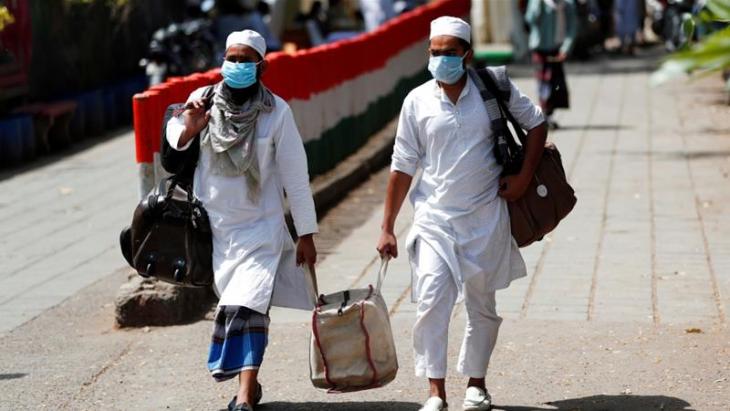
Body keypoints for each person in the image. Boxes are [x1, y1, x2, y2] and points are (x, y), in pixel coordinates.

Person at [376, 16, 547, 411]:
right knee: (432, 299)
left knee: (481, 305)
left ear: (466, 55)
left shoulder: (492, 90)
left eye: (449, 53)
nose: (441, 60)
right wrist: (386, 226)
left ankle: (476, 384)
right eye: (434, 53)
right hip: (434, 219)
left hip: (486, 216)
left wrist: (522, 179)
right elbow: (402, 165)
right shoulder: (416, 101)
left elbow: (536, 124)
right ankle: (436, 392)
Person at [165, 30, 318, 411]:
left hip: (260, 229)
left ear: (261, 66)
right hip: (215, 230)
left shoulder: (276, 112)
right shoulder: (202, 100)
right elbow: (173, 144)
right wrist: (191, 127)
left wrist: (307, 233)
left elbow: (295, 177)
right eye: (231, 57)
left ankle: (245, 396)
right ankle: (249, 381)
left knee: (248, 306)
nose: (236, 65)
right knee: (234, 306)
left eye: (245, 59)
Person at [525, 0, 576, 129]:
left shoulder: (567, 4)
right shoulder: (537, 2)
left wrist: (566, 48)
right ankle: (544, 115)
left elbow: (572, 27)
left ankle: (549, 114)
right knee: (544, 83)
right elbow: (530, 19)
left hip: (557, 49)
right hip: (539, 48)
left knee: (556, 84)